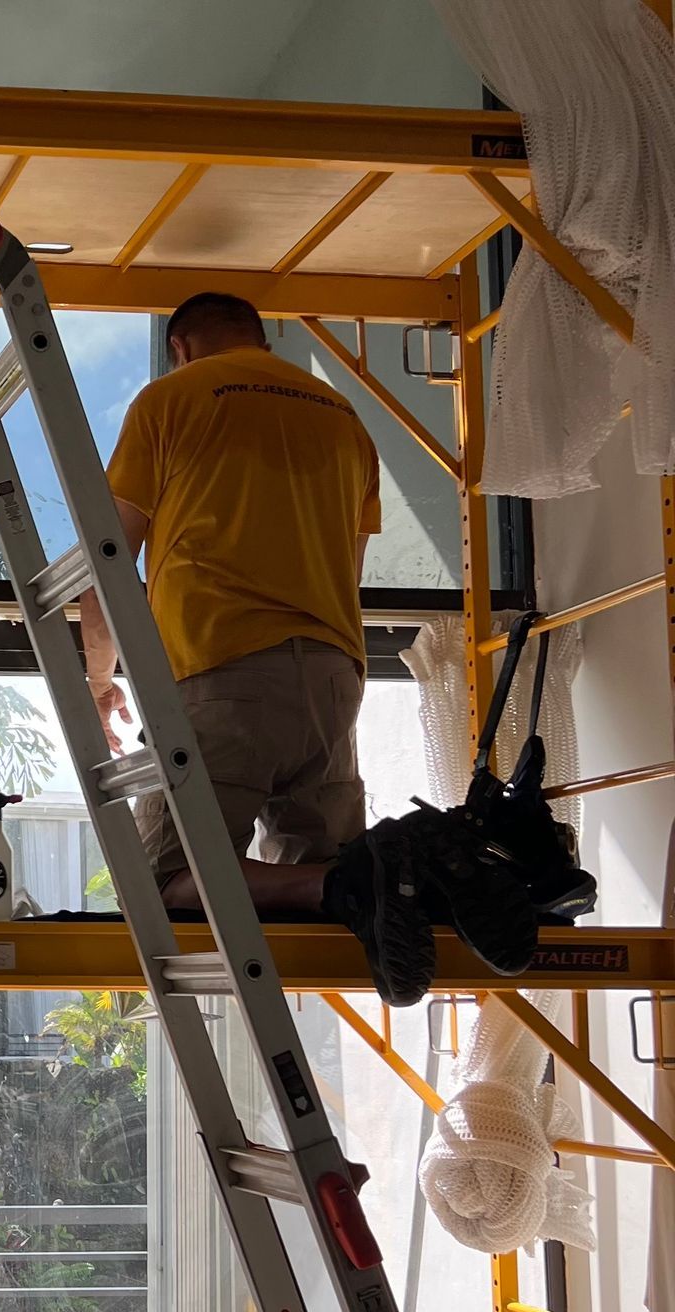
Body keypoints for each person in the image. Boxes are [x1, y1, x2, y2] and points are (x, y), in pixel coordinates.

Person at [76, 290, 477, 1004]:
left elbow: (107, 564)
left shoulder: (170, 400)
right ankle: (372, 877)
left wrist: (98, 677)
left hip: (222, 669)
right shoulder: (344, 420)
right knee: (319, 898)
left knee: (162, 882)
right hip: (333, 676)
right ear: (262, 340)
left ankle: (357, 875)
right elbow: (345, 574)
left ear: (180, 347)